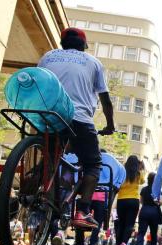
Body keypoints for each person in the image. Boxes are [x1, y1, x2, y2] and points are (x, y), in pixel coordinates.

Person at [38, 27, 115, 230]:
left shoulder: (48, 57)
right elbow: (105, 99)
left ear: (62, 43)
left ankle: (36, 187)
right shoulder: (93, 62)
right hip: (79, 118)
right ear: (84, 45)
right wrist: (110, 125)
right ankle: (82, 211)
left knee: (48, 159)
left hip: (49, 117)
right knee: (93, 164)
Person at [87, 150, 126, 245]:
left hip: (88, 195)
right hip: (101, 197)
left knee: (82, 221)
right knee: (97, 224)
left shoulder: (92, 159)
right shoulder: (113, 162)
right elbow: (122, 174)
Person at [115, 155, 145, 245]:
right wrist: (141, 167)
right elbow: (143, 181)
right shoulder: (138, 173)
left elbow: (117, 183)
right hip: (133, 201)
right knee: (129, 225)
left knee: (121, 223)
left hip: (121, 200)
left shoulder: (122, 171)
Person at [134, 173, 160, 245]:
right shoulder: (157, 190)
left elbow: (141, 201)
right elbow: (160, 201)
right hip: (154, 212)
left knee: (141, 231)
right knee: (153, 233)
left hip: (144, 211)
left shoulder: (144, 189)